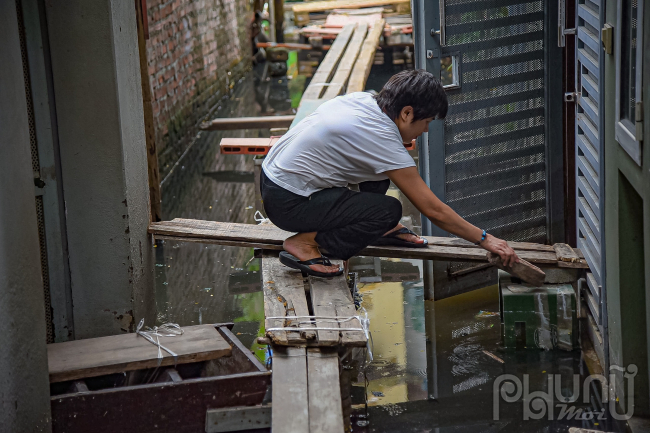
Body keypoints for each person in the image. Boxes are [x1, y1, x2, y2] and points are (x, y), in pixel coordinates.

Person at [260, 69, 520, 277]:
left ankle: (384, 229)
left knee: (385, 171)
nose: (426, 130)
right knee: (387, 210)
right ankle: (305, 243)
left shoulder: (364, 101)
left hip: (276, 183)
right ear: (407, 113)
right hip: (289, 203)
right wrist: (485, 239)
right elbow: (433, 210)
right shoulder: (382, 138)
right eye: (426, 122)